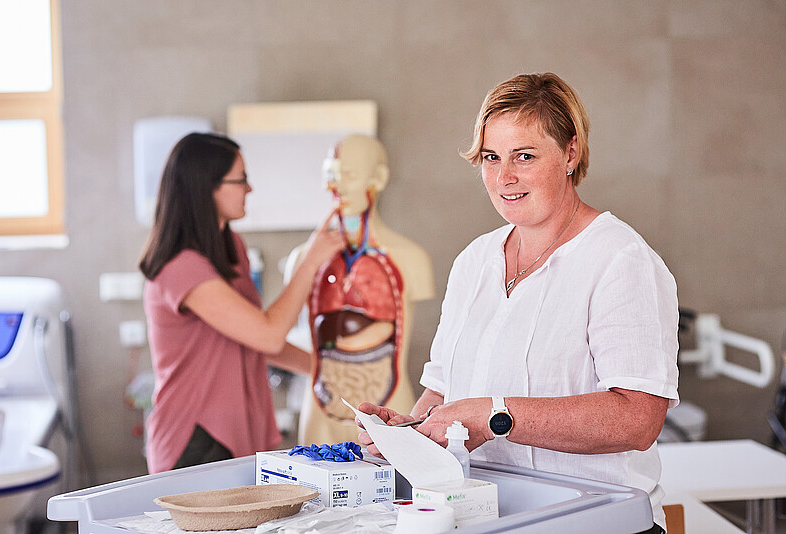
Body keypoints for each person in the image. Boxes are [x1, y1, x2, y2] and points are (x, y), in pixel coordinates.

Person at [358, 73, 679, 534]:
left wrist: (495, 415)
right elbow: (445, 393)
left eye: (524, 156)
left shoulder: (620, 260)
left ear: (570, 153)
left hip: (597, 522)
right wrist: (409, 431)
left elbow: (637, 419)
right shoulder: (475, 260)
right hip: (490, 521)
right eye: (491, 157)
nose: (504, 177)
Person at [139, 132, 345, 473]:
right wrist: (311, 261)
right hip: (196, 438)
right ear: (207, 188)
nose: (250, 189)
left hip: (242, 429)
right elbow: (268, 335)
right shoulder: (180, 267)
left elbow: (253, 339)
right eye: (242, 180)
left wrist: (324, 370)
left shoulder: (230, 247)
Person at [284, 134, 434, 445]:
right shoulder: (301, 259)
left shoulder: (411, 258)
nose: (334, 186)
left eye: (348, 175)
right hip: (320, 410)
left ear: (377, 178)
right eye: (330, 174)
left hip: (390, 408)